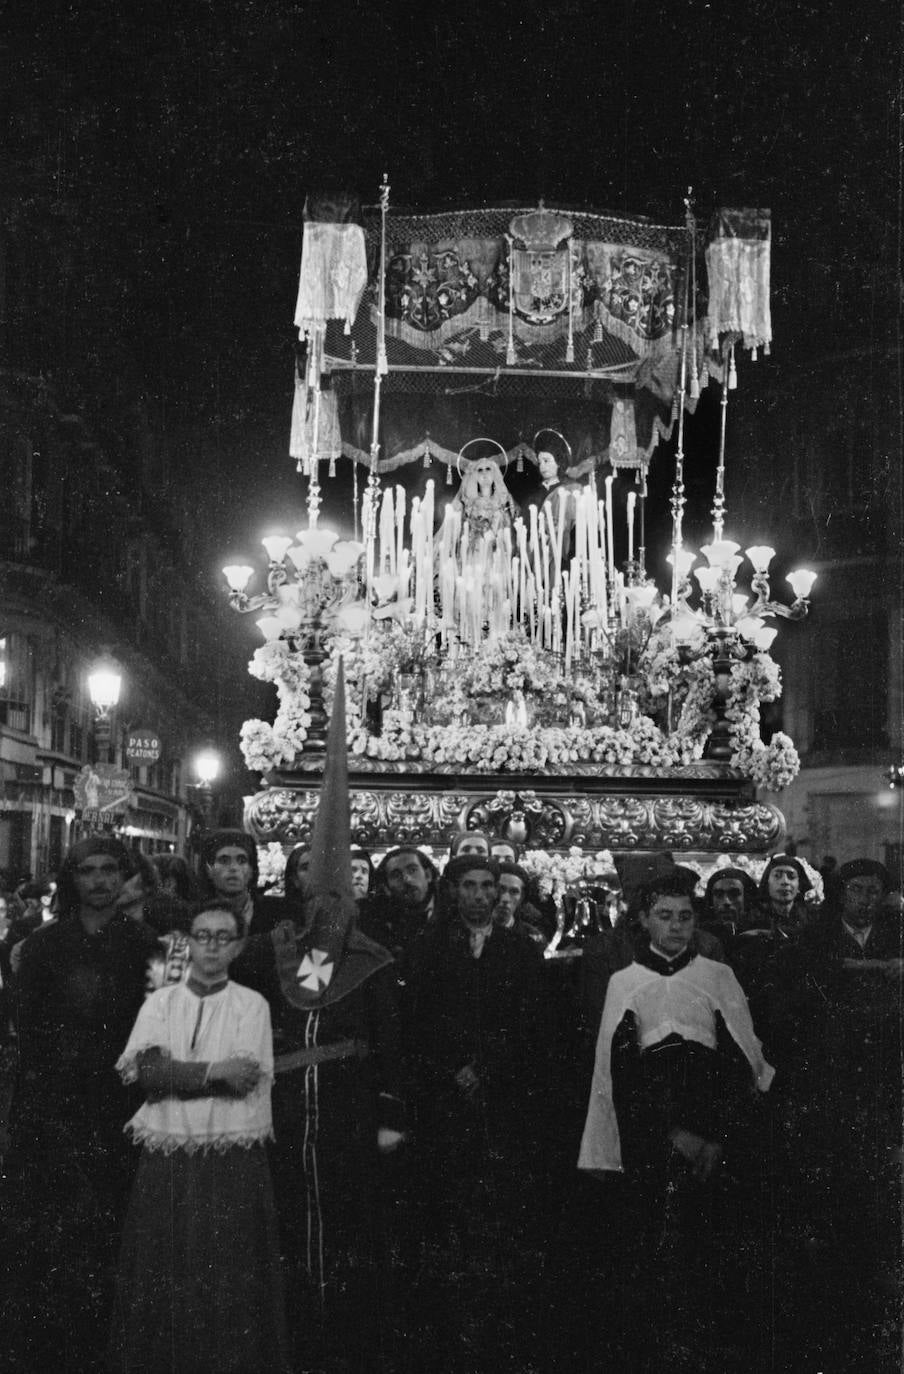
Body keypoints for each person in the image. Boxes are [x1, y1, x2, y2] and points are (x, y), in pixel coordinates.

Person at [233, 664, 406, 1372]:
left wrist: (391, 1115)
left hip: (350, 1110)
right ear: (299, 886)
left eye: (340, 895)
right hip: (280, 1110)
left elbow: (389, 1045)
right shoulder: (272, 953)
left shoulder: (372, 960)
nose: (328, 907)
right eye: (316, 889)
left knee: (349, 1220)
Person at [578, 873, 773, 1365]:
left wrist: (716, 1136)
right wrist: (673, 1134)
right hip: (653, 1134)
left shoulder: (717, 976)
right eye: (664, 915)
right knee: (653, 1250)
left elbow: (741, 1061)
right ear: (643, 919)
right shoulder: (625, 982)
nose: (676, 926)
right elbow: (618, 1074)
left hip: (716, 1130)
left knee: (713, 1246)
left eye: (685, 916)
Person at [108, 900, 289, 1374]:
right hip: (168, 1151)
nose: (210, 946)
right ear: (186, 942)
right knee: (163, 1264)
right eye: (202, 935)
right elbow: (147, 1073)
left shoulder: (253, 1005)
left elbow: (244, 1078)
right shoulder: (160, 1002)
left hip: (231, 1155)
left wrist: (181, 1076)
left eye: (223, 937)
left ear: (240, 946)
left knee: (226, 1267)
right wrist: (212, 1072)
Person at [6, 836, 158, 1369]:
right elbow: (30, 1027)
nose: (100, 881)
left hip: (120, 1103)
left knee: (112, 1227)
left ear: (124, 877)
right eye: (88, 871)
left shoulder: (148, 946)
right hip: (56, 1104)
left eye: (110, 870)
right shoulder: (46, 946)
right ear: (73, 878)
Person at [405, 853, 545, 1369]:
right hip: (443, 1096)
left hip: (500, 1095)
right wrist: (452, 1068)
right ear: (452, 890)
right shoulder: (426, 947)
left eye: (489, 886)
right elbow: (417, 1019)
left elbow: (530, 1018)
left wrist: (488, 1065)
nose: (482, 896)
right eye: (470, 886)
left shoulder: (521, 950)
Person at [198, 828, 281, 938]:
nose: (234, 868)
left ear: (252, 870)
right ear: (209, 869)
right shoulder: (193, 917)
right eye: (224, 861)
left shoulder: (277, 913)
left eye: (242, 861)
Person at [445, 454, 517, 559]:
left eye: (488, 469)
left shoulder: (502, 502)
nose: (484, 473)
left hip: (496, 554)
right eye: (480, 470)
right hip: (475, 552)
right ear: (474, 476)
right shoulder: (470, 504)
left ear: (494, 474)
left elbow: (508, 532)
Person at [493, 859, 547, 948]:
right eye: (500, 889)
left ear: (521, 898)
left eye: (514, 892)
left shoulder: (533, 939)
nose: (505, 898)